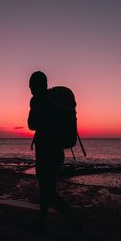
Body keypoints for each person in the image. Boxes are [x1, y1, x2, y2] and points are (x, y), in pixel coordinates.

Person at [28, 71, 81, 232]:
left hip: (46, 153)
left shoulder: (39, 101)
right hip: (56, 152)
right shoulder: (54, 102)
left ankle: (75, 223)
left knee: (48, 192)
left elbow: (31, 124)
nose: (30, 88)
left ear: (37, 85)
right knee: (46, 190)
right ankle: (42, 222)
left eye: (31, 84)